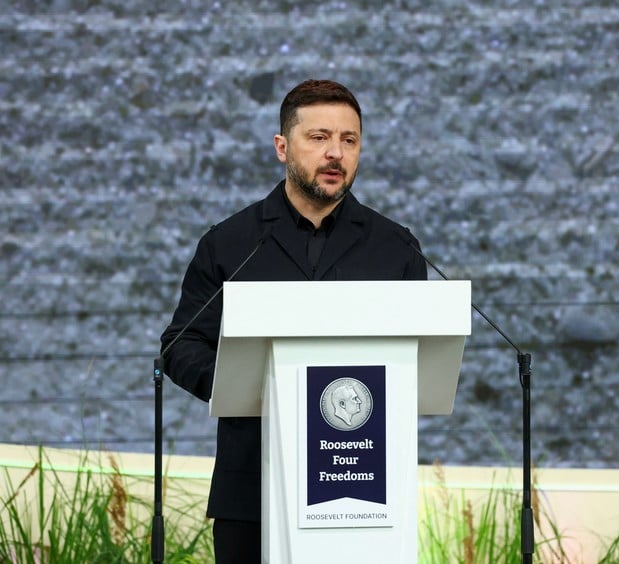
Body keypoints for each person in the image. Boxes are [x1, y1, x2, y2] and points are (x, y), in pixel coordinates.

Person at [160, 79, 427, 562]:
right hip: (251, 489)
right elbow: (181, 344)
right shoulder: (231, 243)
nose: (335, 154)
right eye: (319, 137)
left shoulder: (396, 248)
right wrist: (252, 386)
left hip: (362, 487)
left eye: (349, 140)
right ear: (282, 147)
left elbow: (420, 355)